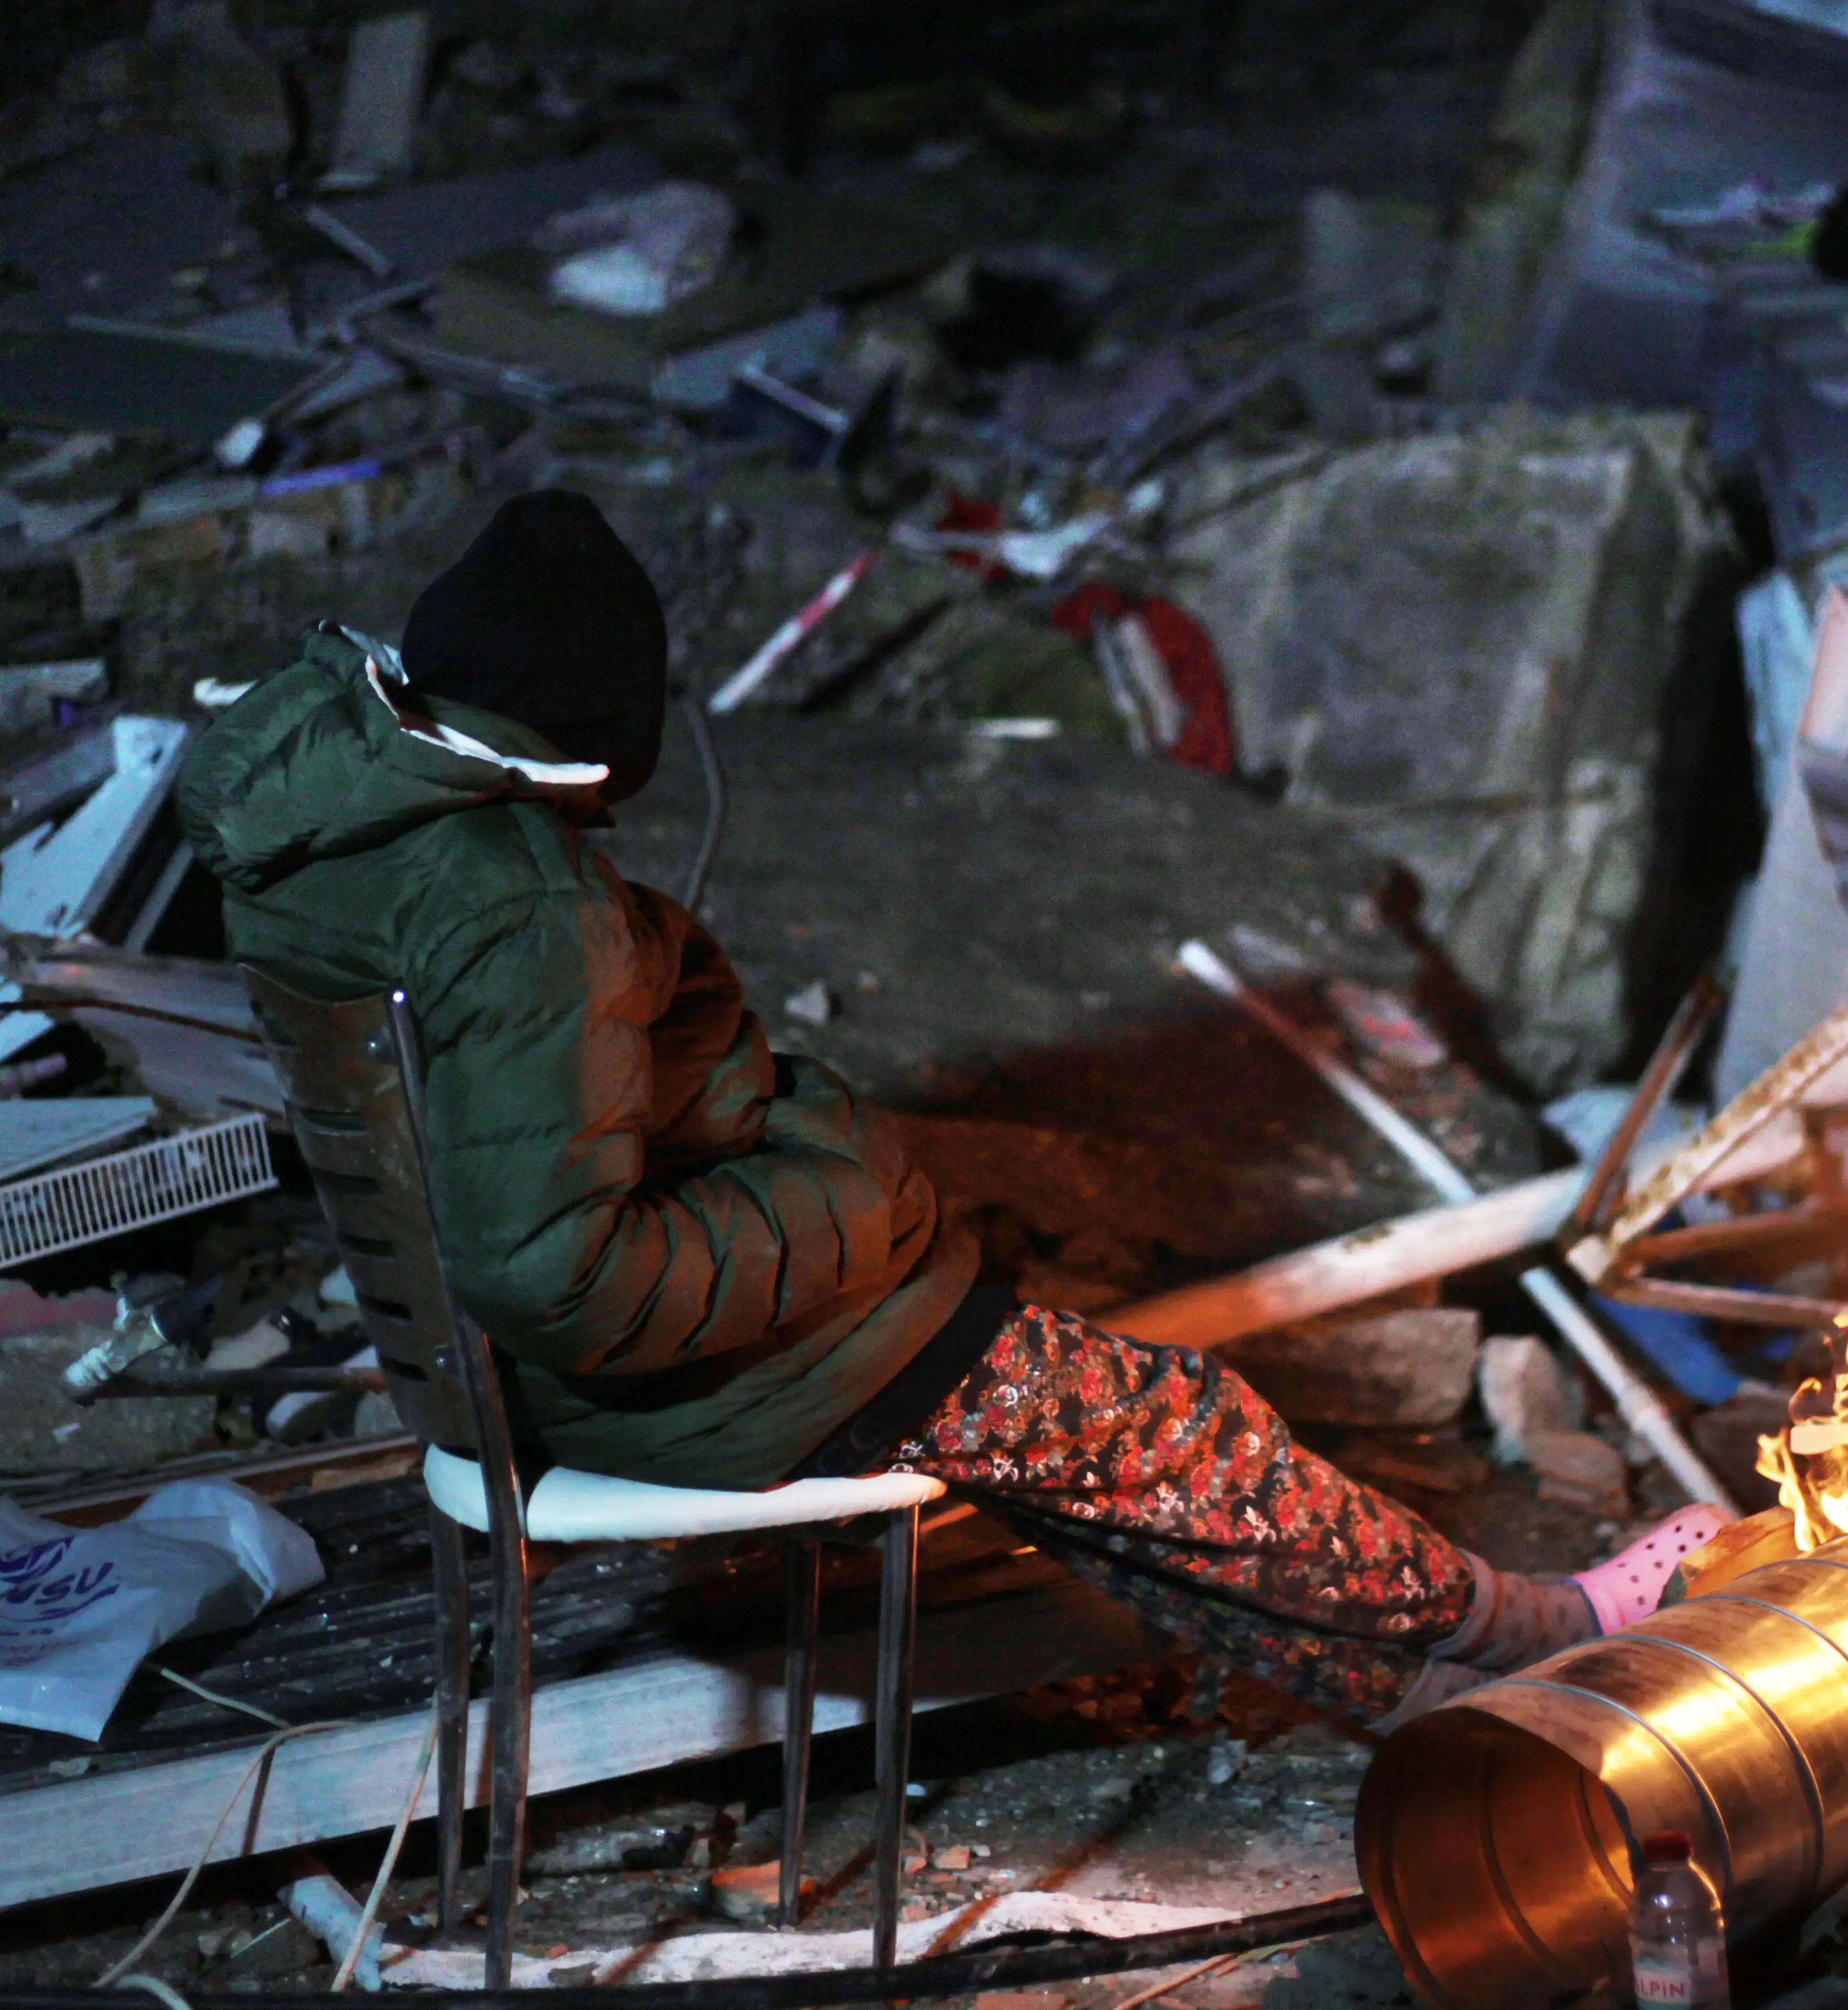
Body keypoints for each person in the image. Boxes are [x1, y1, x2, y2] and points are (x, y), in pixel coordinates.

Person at [178, 491, 1721, 1729]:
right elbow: (555, 1269)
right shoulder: (518, 912)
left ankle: (1432, 1691)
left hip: (541, 1371)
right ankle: (1540, 1622)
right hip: (675, 1377)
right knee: (1178, 1428)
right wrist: (830, 1200)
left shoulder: (350, 841)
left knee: (1104, 1476)